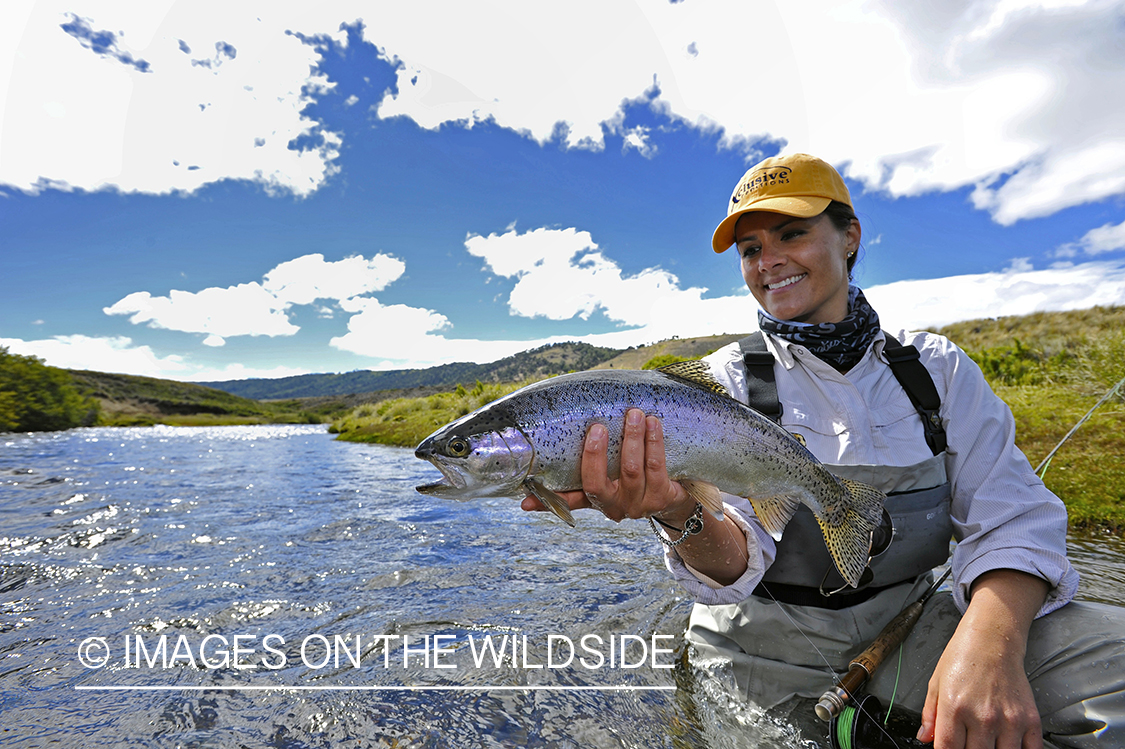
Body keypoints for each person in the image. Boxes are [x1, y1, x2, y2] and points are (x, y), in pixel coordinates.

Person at [522, 153, 1125, 748]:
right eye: (752, 249)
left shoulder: (936, 370)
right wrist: (678, 511)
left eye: (792, 233)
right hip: (758, 654)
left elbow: (1014, 519)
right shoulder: (717, 389)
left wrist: (989, 646)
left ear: (850, 237)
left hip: (913, 632)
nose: (769, 260)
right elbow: (735, 560)